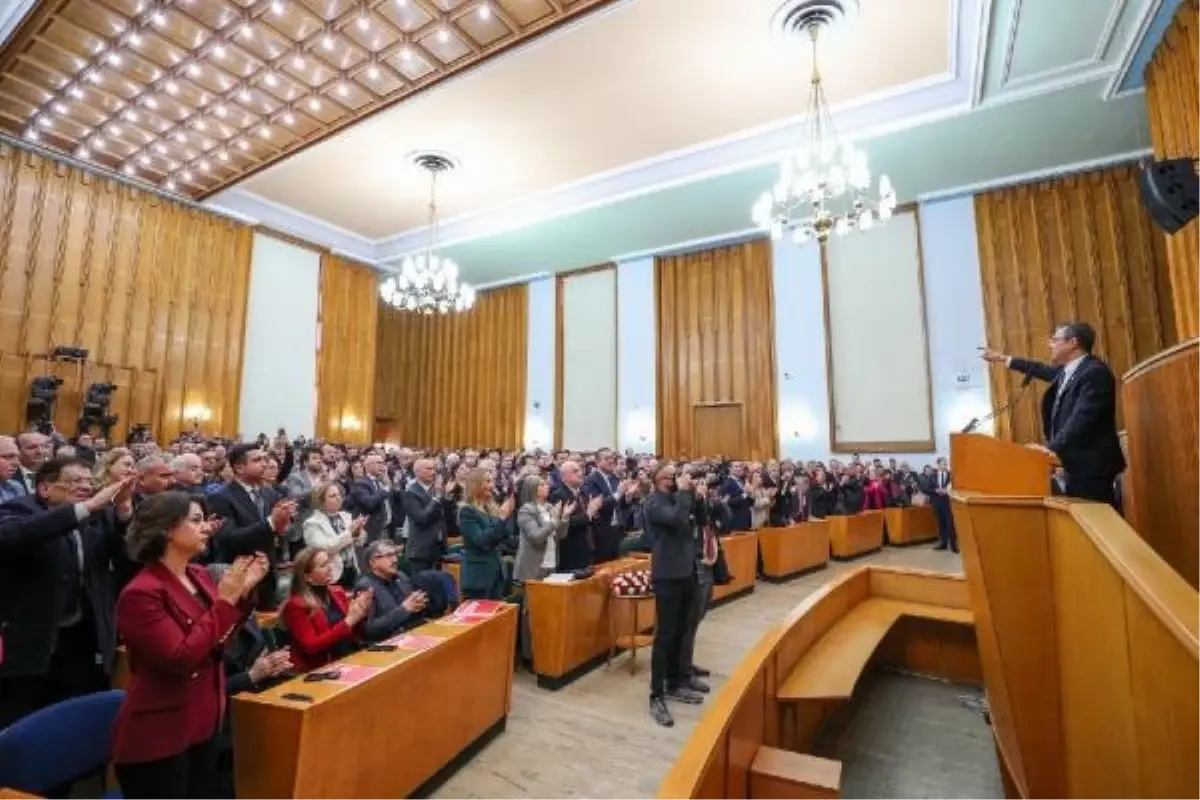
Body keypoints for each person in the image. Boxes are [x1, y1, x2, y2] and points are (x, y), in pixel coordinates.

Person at [110, 492, 267, 800]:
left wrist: (243, 595)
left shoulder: (197, 574)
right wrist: (226, 600)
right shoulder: (142, 592)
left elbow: (219, 638)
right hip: (161, 735)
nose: (206, 527)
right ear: (168, 529)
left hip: (204, 721)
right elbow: (180, 658)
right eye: (196, 521)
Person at [0, 458, 136, 729]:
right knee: (20, 719)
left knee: (68, 715)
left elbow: (124, 558)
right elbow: (17, 536)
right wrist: (86, 507)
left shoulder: (93, 516)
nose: (86, 487)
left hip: (80, 635)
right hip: (30, 637)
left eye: (89, 481)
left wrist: (122, 510)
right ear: (46, 488)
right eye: (76, 481)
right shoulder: (17, 509)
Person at [982, 321, 1125, 505]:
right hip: (1076, 465)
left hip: (1092, 466)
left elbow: (1083, 418)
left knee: (1098, 523)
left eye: (1055, 340)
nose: (1050, 344)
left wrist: (1051, 447)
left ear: (1073, 342)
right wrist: (1003, 358)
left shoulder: (1094, 372)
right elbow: (1040, 369)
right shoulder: (1068, 371)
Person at [644, 464, 705, 728]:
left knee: (683, 629)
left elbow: (700, 521)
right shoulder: (654, 503)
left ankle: (676, 680)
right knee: (666, 635)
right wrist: (683, 493)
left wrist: (698, 497)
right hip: (667, 575)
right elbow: (678, 520)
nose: (675, 477)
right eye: (669, 473)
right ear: (657, 478)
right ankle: (656, 693)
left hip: (687, 571)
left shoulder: (677, 499)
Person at [279, 547, 373, 673]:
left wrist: (362, 612)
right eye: (323, 565)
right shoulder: (296, 605)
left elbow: (353, 632)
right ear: (307, 577)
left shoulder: (337, 592)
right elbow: (311, 646)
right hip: (320, 669)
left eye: (329, 562)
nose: (330, 567)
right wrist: (348, 621)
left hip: (349, 657)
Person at [458, 468, 516, 600]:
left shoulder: (490, 508)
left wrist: (508, 517)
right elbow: (480, 540)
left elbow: (502, 535)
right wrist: (501, 518)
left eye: (492, 481)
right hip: (478, 576)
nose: (492, 485)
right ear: (476, 484)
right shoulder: (467, 511)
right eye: (487, 481)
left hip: (495, 571)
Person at [354, 540, 429, 643]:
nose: (395, 560)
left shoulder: (401, 577)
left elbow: (413, 611)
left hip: (411, 635)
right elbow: (369, 629)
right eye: (388, 556)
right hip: (386, 644)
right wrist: (404, 609)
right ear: (373, 562)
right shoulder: (365, 587)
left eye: (395, 554)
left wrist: (419, 606)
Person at [302, 482, 367, 588]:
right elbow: (326, 548)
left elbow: (359, 543)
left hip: (352, 569)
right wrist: (349, 532)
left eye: (339, 495)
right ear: (321, 501)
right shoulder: (312, 523)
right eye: (333, 496)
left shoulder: (346, 516)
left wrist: (358, 532)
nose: (338, 498)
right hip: (331, 574)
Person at [402, 458, 446, 571]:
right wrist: (436, 498)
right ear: (417, 472)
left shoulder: (435, 490)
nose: (434, 472)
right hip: (420, 551)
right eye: (429, 469)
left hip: (437, 548)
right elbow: (422, 518)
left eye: (434, 469)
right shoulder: (411, 493)